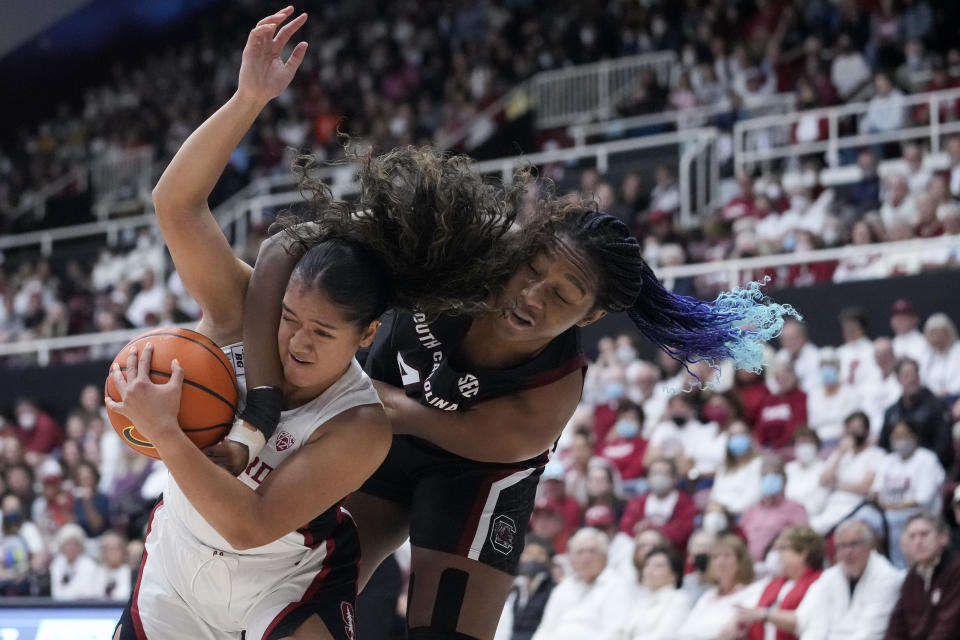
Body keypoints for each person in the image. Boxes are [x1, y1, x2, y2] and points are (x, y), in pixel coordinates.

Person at [240, 79, 797, 640]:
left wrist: (343, 390)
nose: (532, 294)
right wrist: (262, 401)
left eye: (562, 293)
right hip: (376, 421)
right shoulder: (456, 243)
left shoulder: (551, 392)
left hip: (474, 471)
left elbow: (402, 414)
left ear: (590, 317)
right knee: (295, 598)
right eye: (532, 268)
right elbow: (280, 250)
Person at [105, 9, 509, 639]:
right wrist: (249, 98)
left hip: (283, 584)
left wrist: (166, 432)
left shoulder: (361, 424)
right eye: (291, 316)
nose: (293, 339)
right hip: (176, 569)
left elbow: (251, 523)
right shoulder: (245, 313)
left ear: (366, 335)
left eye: (322, 334)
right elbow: (175, 205)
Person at [795, 519, 903, 639]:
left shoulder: (886, 577)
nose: (848, 552)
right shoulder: (829, 577)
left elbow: (870, 633)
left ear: (869, 545)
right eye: (842, 546)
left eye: (854, 544)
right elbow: (815, 628)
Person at [529, 528, 632, 640]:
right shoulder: (563, 587)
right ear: (571, 558)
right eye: (580, 552)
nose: (586, 558)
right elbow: (545, 629)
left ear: (605, 557)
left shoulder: (616, 585)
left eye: (592, 551)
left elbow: (615, 633)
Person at [872, 421, 945, 569]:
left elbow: (922, 499)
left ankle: (911, 568)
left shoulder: (927, 458)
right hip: (890, 516)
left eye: (904, 435)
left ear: (914, 437)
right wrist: (888, 506)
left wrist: (892, 506)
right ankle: (895, 569)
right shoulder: (888, 460)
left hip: (923, 515)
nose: (900, 440)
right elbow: (875, 492)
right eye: (896, 436)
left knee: (899, 520)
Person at [734, 526, 824, 640]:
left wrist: (765, 614)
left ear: (803, 553)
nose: (778, 554)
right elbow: (752, 613)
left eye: (783, 548)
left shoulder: (819, 581)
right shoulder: (775, 583)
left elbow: (803, 620)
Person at [885, 513, 960, 639]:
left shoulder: (956, 570)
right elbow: (897, 625)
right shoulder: (912, 576)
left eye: (924, 534)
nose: (918, 542)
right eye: (912, 537)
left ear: (943, 537)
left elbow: (948, 629)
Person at [676, 534, 765, 639]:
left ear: (741, 561)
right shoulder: (708, 595)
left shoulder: (754, 592)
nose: (720, 562)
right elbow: (684, 631)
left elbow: (726, 633)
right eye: (715, 557)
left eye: (727, 556)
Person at [811, 411, 886, 535]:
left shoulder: (876, 455)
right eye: (850, 428)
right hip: (831, 506)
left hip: (856, 507)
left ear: (866, 431)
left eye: (858, 428)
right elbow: (823, 481)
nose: (853, 432)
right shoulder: (840, 454)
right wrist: (840, 453)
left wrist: (836, 485)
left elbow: (864, 487)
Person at [879, 357, 952, 468]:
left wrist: (921, 463)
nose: (911, 379)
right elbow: (883, 446)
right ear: (898, 379)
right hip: (898, 468)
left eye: (914, 374)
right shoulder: (891, 413)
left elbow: (944, 446)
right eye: (906, 375)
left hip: (928, 466)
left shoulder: (936, 406)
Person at [739, 456, 809, 562]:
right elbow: (740, 538)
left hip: (779, 564)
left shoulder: (795, 508)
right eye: (765, 475)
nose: (769, 478)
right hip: (749, 566)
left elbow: (804, 540)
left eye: (775, 474)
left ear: (784, 479)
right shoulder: (751, 510)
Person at [619, 457, 696, 550]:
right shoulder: (637, 502)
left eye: (663, 474)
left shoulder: (686, 502)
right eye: (655, 473)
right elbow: (626, 528)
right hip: (639, 547)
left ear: (674, 478)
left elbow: (682, 533)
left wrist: (651, 528)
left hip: (672, 551)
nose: (659, 477)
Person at [617, 545, 691, 639]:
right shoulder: (641, 601)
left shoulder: (679, 600)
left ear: (674, 575)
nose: (649, 570)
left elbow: (665, 636)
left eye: (658, 566)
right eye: (647, 564)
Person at [494, 535, 556, 640]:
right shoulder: (513, 591)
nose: (533, 558)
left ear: (548, 560)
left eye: (540, 554)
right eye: (528, 553)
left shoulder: (554, 591)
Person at [710, 422, 763, 516]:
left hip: (743, 515)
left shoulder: (758, 464)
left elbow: (753, 498)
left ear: (749, 437)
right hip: (719, 513)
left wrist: (726, 510)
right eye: (733, 435)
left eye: (741, 434)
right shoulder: (723, 467)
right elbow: (715, 495)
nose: (737, 438)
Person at [785, 428, 829, 519]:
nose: (804, 447)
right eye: (800, 443)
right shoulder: (788, 469)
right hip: (785, 517)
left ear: (816, 446)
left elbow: (818, 504)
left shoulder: (825, 469)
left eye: (808, 442)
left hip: (811, 518)